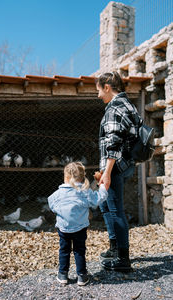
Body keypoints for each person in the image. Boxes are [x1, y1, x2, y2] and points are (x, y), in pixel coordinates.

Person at [96, 71, 141, 272]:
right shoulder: (129, 104)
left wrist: (107, 172)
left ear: (107, 87)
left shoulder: (115, 107)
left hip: (115, 167)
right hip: (123, 165)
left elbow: (113, 143)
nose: (98, 95)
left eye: (98, 90)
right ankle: (115, 247)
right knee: (107, 206)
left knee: (115, 209)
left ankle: (123, 258)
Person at [48, 161, 108, 286]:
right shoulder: (85, 192)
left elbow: (51, 204)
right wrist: (102, 186)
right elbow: (98, 199)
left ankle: (63, 274)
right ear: (82, 177)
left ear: (66, 177)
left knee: (64, 250)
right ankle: (82, 276)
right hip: (80, 228)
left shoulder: (58, 193)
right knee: (79, 250)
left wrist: (61, 211)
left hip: (63, 228)